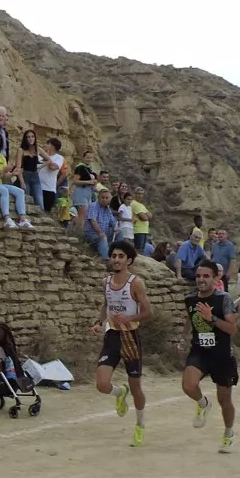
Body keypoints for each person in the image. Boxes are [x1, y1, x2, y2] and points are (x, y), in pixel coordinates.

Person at [93, 240, 153, 446]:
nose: (116, 260)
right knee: (102, 384)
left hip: (131, 338)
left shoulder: (136, 283)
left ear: (129, 260)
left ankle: (140, 425)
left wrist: (129, 318)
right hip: (112, 336)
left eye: (120, 256)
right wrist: (99, 322)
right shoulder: (105, 282)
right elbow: (106, 304)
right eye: (113, 256)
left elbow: (148, 312)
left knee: (136, 387)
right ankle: (120, 392)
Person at [182, 259, 239, 453]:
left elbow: (232, 329)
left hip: (221, 355)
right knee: (188, 385)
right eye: (198, 276)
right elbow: (189, 320)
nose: (201, 279)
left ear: (216, 279)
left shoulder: (223, 299)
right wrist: (183, 338)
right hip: (200, 351)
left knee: (225, 400)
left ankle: (229, 433)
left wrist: (211, 318)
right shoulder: (190, 299)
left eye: (206, 276)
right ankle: (203, 403)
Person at [0, 132, 33, 230]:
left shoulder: (1, 157)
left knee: (20, 191)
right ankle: (7, 219)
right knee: (4, 190)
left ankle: (23, 219)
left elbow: (4, 177)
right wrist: (3, 171)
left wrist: (12, 174)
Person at [41, 138, 65, 217]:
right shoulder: (40, 156)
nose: (45, 145)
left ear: (53, 146)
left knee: (46, 213)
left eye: (48, 144)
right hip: (37, 187)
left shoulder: (59, 158)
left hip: (49, 188)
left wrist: (48, 161)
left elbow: (53, 167)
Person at [129, 187, 152, 255]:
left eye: (142, 194)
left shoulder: (141, 205)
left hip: (144, 230)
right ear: (134, 194)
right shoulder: (134, 203)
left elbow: (150, 215)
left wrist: (144, 215)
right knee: (138, 250)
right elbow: (144, 218)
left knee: (142, 250)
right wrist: (145, 215)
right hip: (138, 230)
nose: (140, 195)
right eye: (138, 193)